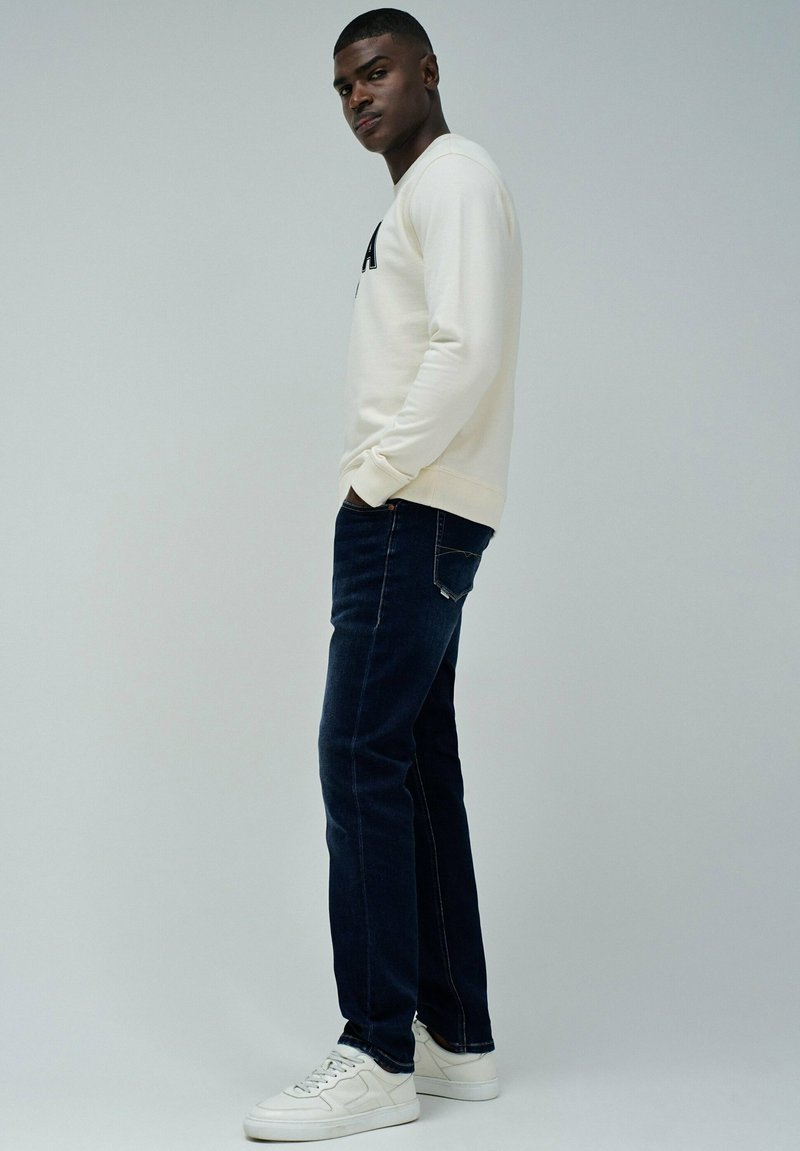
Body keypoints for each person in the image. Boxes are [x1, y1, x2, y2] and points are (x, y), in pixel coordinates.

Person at [243, 8, 522, 1142]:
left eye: (374, 73)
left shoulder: (453, 176)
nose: (358, 98)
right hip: (425, 509)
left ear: (426, 70)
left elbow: (467, 348)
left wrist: (374, 478)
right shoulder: (420, 194)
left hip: (409, 510)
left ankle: (375, 1050)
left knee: (355, 756)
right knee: (408, 762)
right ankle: (454, 1039)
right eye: (343, 88)